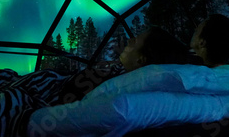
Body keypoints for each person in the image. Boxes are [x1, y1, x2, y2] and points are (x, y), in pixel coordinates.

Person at [58, 26, 189, 104]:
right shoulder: (117, 75)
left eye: (134, 41)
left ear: (140, 60)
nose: (130, 40)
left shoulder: (102, 83)